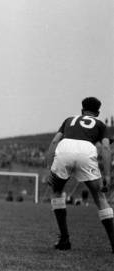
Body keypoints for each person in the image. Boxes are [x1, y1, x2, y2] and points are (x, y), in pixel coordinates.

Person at [46, 97, 114, 252]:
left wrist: (50, 167)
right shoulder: (100, 124)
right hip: (86, 151)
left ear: (82, 111)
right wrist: (108, 177)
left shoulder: (69, 120)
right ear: (97, 113)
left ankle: (64, 240)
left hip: (64, 149)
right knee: (100, 197)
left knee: (56, 192)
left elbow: (55, 142)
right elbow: (105, 147)